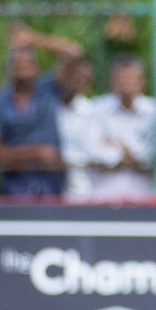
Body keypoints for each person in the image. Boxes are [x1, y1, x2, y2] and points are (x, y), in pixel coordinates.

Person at [0, 27, 83, 198]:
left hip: (53, 188)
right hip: (14, 190)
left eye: (27, 63)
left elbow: (75, 52)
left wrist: (33, 38)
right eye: (17, 64)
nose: (22, 68)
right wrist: (36, 152)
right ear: (9, 68)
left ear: (37, 67)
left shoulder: (50, 90)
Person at [86, 55, 156, 202]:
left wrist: (119, 147)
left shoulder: (155, 110)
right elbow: (92, 151)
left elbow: (153, 155)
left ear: (141, 81)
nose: (126, 83)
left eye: (130, 78)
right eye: (121, 78)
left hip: (142, 197)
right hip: (104, 197)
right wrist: (128, 157)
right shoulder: (97, 108)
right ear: (112, 82)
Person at [53, 57, 100, 202]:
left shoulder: (92, 111)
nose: (74, 82)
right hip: (48, 187)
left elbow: (95, 152)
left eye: (81, 79)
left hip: (82, 191)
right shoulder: (46, 106)